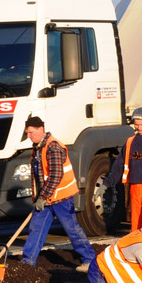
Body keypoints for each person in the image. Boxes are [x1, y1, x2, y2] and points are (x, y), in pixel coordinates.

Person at [19, 116, 97, 272]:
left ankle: (91, 261)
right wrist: (39, 197)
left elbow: (55, 175)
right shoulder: (38, 147)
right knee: (36, 228)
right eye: (27, 133)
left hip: (61, 198)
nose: (29, 136)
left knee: (72, 229)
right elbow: (39, 176)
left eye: (31, 133)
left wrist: (42, 197)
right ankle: (28, 263)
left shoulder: (53, 147)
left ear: (41, 129)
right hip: (46, 199)